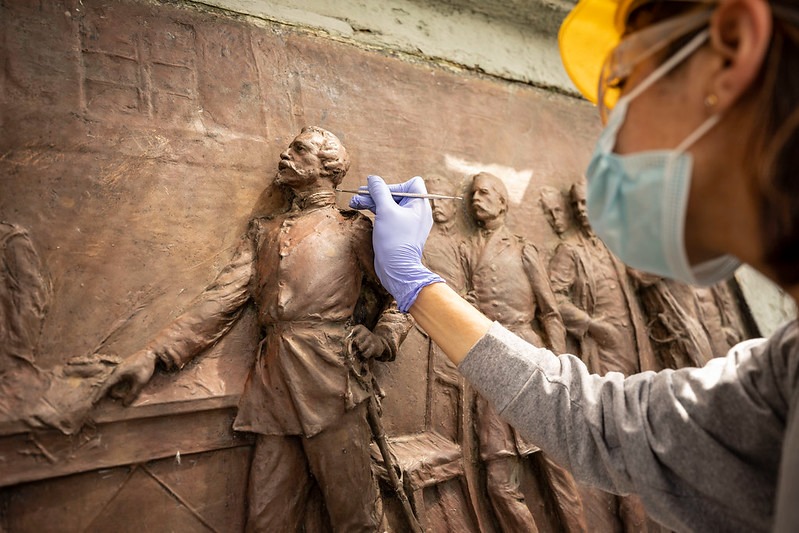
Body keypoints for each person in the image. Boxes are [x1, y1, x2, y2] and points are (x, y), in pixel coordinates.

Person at [349, 0, 799, 530]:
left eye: (625, 86)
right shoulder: (780, 380)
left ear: (733, 45)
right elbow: (601, 424)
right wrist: (414, 282)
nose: (609, 141)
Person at [103, 127, 411, 532]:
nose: (284, 155)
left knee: (357, 520)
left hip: (333, 386)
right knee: (266, 520)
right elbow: (221, 301)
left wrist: (383, 337)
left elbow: (403, 296)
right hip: (274, 391)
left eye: (298, 150)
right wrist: (153, 354)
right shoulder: (264, 231)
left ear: (327, 167)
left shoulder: (352, 229)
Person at [461, 172, 586, 532]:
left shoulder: (522, 248)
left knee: (557, 469)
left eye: (484, 193)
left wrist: (560, 364)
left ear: (502, 201)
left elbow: (551, 312)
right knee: (499, 481)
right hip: (488, 362)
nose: (475, 199)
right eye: (471, 194)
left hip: (531, 359)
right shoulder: (466, 251)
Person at [547, 183, 657, 375]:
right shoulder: (569, 250)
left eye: (585, 202)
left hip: (634, 338)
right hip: (602, 345)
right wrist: (591, 324)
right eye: (575, 205)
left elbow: (639, 275)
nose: (580, 209)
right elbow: (554, 297)